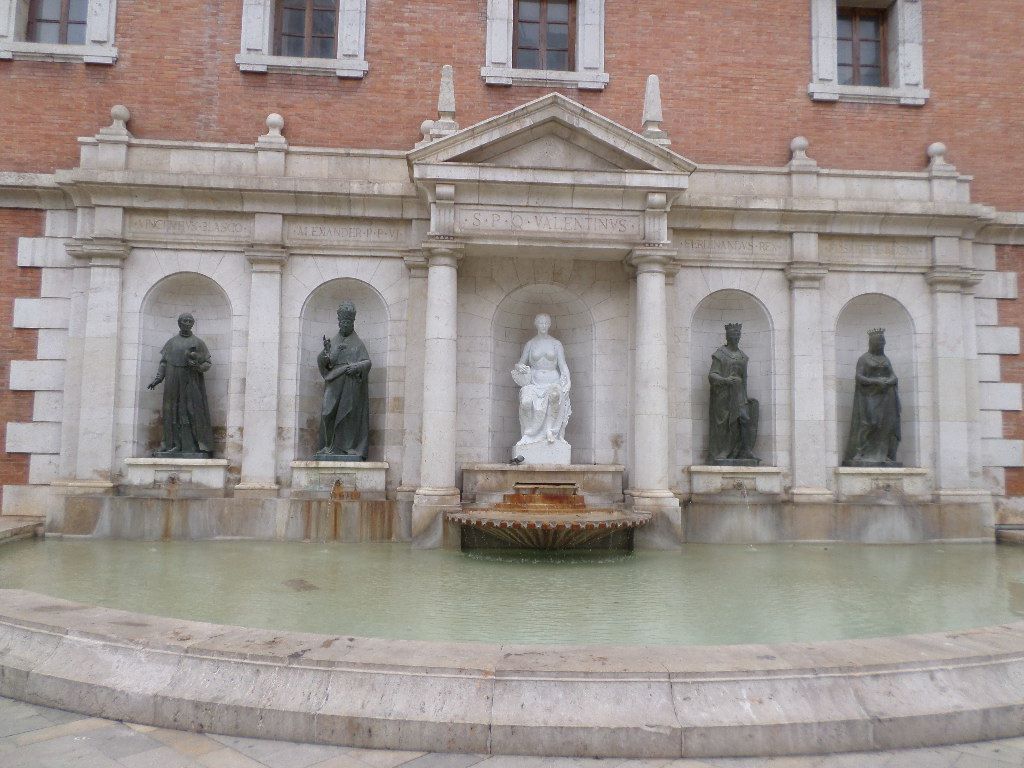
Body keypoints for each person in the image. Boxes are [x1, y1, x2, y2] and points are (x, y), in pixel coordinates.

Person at [147, 312, 215, 457]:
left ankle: (192, 446)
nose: (187, 323)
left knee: (190, 411)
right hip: (172, 381)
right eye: (184, 321)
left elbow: (207, 363)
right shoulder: (171, 343)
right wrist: (158, 379)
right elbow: (164, 363)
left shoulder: (198, 343)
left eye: (190, 321)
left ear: (193, 324)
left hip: (190, 381)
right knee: (171, 411)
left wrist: (196, 365)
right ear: (179, 323)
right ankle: (171, 444)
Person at [316, 301, 372, 460]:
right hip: (334, 382)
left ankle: (348, 447)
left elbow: (367, 362)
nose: (345, 325)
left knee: (349, 415)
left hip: (350, 385)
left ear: (352, 323)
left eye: (348, 322)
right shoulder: (333, 342)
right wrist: (325, 355)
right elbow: (323, 361)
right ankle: (328, 446)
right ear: (339, 322)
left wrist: (356, 367)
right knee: (327, 412)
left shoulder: (358, 343)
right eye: (343, 322)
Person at [512, 313, 572, 454]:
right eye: (541, 323)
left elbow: (563, 365)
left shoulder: (556, 344)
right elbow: (521, 362)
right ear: (536, 324)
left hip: (553, 381)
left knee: (555, 397)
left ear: (549, 324)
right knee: (526, 402)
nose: (544, 325)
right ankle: (528, 435)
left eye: (546, 323)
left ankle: (550, 431)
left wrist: (568, 380)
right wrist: (519, 367)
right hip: (534, 381)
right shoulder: (531, 344)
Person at [844, 328, 901, 466]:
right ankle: (860, 452)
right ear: (871, 343)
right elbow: (859, 376)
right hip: (869, 397)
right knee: (870, 423)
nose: (880, 344)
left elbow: (893, 375)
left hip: (887, 397)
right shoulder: (864, 359)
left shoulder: (885, 359)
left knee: (889, 425)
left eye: (882, 342)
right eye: (877, 342)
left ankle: (886, 454)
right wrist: (876, 381)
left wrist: (890, 380)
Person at [707, 323, 760, 465]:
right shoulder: (720, 354)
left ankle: (745, 449)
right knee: (725, 423)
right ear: (727, 336)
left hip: (739, 394)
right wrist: (725, 380)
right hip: (724, 396)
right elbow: (712, 375)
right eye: (732, 335)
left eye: (737, 335)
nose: (735, 337)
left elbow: (745, 379)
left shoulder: (743, 357)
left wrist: (745, 396)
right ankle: (724, 451)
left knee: (745, 418)